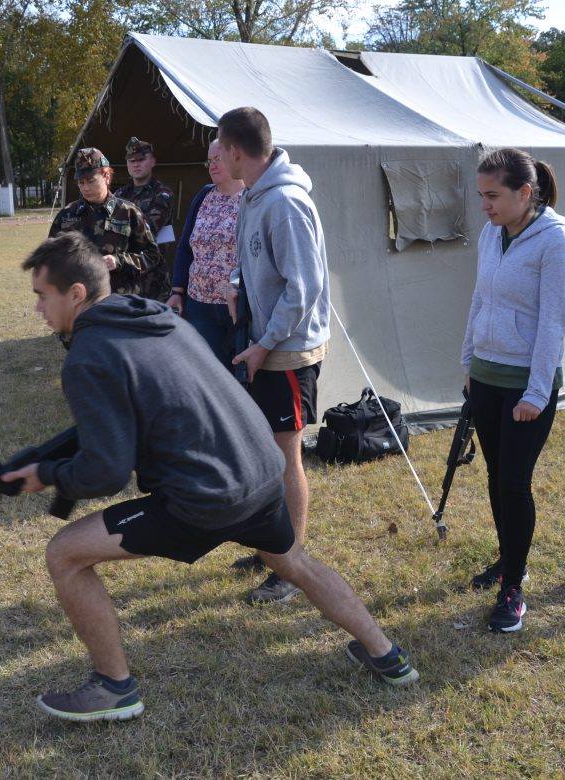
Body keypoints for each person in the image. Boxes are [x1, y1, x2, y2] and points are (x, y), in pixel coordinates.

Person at [5, 232, 419, 723]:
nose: (37, 309)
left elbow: (105, 472)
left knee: (65, 553)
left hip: (206, 496)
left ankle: (114, 688)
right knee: (292, 561)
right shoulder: (155, 316)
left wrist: (47, 474)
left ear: (76, 294)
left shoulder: (89, 355)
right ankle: (387, 654)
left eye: (41, 296)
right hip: (262, 471)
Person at [461, 148, 565, 633]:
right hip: (487, 377)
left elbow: (553, 322)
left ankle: (513, 584)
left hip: (525, 387)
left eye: (493, 196)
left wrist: (536, 393)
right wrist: (469, 362)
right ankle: (510, 558)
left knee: (514, 482)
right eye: (481, 196)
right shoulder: (493, 233)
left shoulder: (556, 242)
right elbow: (479, 299)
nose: (484, 206)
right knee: (495, 478)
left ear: (525, 193)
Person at [216, 107, 331, 606]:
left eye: (220, 148)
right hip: (265, 343)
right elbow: (264, 264)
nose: (216, 156)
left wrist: (264, 345)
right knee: (265, 454)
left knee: (286, 457)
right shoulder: (254, 196)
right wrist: (240, 285)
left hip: (287, 352)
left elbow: (304, 287)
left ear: (237, 151)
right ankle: (272, 548)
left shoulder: (284, 202)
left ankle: (290, 566)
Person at [49, 147, 168, 299]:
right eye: (81, 182)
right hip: (80, 302)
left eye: (91, 181)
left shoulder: (128, 212)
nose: (85, 188)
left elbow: (152, 256)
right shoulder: (67, 215)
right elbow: (52, 256)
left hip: (118, 302)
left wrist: (118, 261)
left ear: (106, 176)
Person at [167, 138, 246, 366]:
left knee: (236, 375)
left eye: (217, 159)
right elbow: (185, 247)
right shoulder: (204, 195)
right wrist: (177, 290)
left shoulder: (250, 198)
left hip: (234, 307)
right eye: (208, 161)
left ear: (234, 157)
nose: (212, 165)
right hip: (199, 304)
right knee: (206, 371)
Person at [113, 137, 175, 239]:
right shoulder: (120, 193)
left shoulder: (162, 193)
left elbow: (148, 229)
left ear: (153, 162)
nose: (136, 164)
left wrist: (114, 227)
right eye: (131, 161)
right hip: (120, 252)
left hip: (149, 254)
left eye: (141, 159)